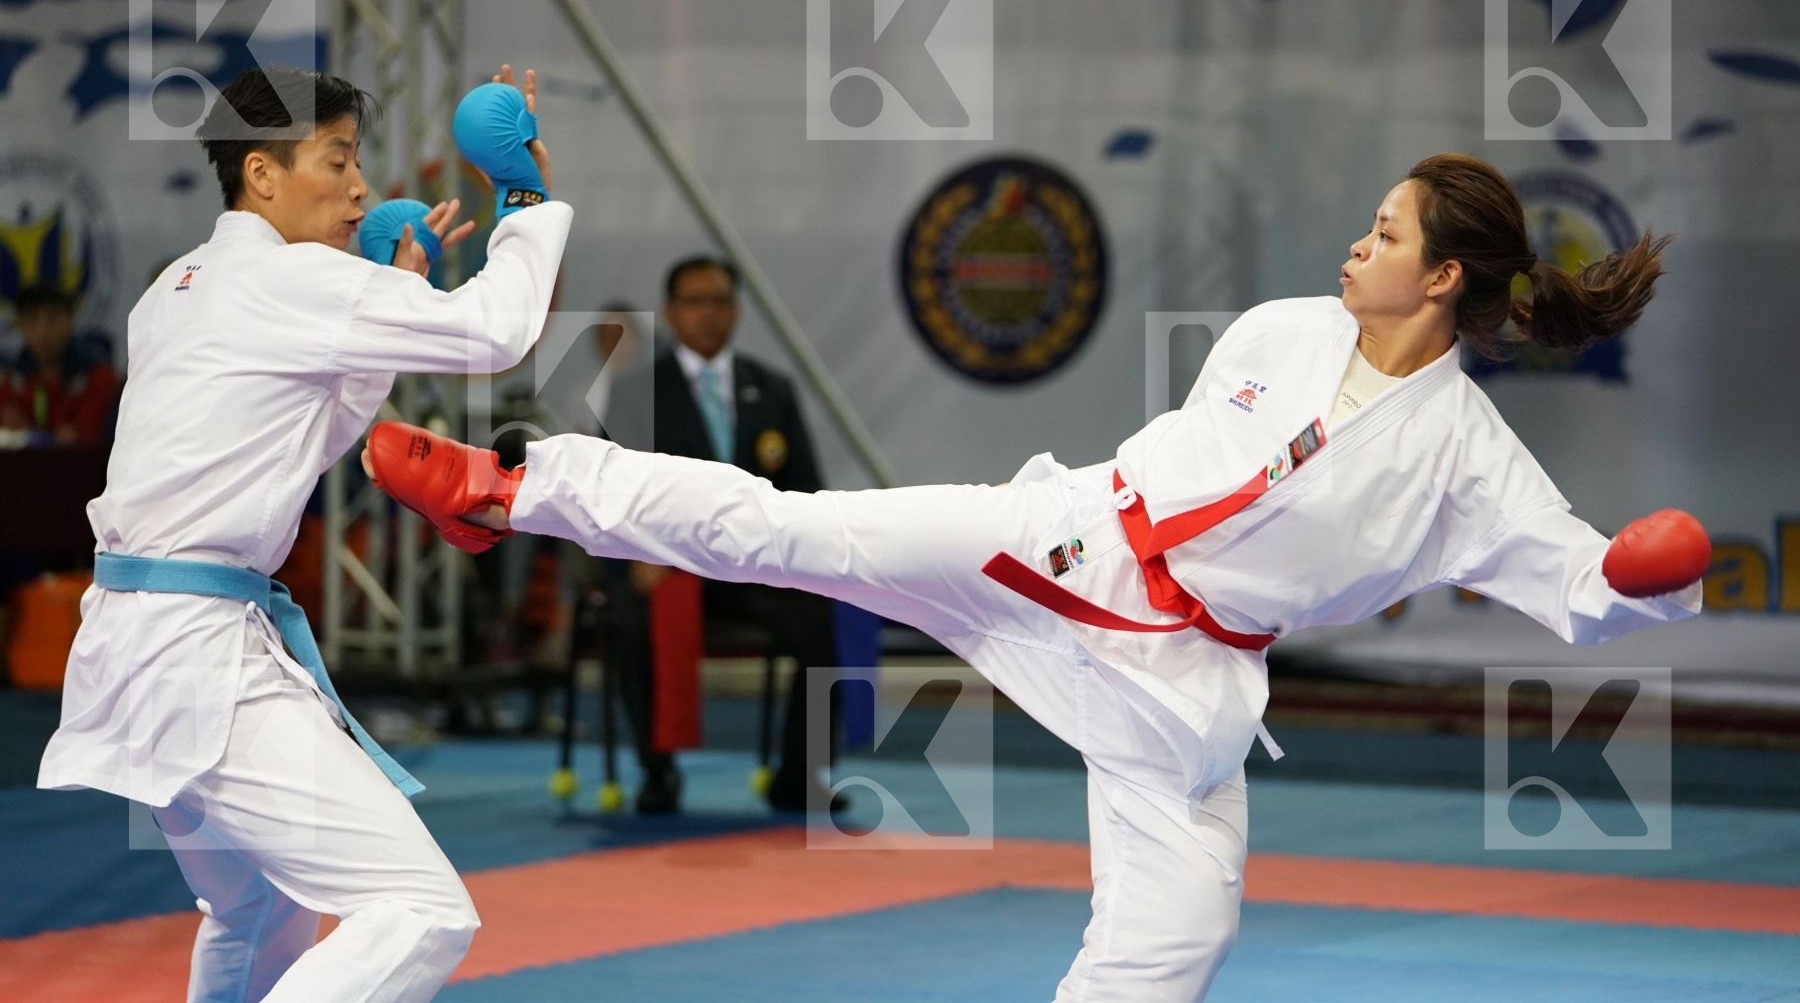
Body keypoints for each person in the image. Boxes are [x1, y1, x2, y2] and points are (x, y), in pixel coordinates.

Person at [367, 152, 1710, 1000]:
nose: (1358, 244)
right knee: (798, 532)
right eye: (1366, 221)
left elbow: (1585, 584)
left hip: (1183, 678)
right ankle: (516, 486)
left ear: (1444, 274)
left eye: (1385, 230)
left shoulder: (1469, 462)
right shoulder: (1279, 329)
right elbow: (1205, 471)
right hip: (1068, 546)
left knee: (1181, 933)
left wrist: (1645, 572)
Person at [38, 63, 571, 1001]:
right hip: (195, 651)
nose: (362, 186)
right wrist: (523, 193)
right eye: (339, 157)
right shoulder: (291, 280)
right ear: (262, 175)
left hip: (138, 636)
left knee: (257, 910)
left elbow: (291, 437)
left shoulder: (174, 289)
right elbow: (496, 334)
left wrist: (380, 313)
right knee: (422, 909)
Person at [604, 256, 840, 814]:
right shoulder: (637, 391)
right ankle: (656, 769)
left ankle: (800, 773)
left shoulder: (772, 388)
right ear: (671, 312)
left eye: (719, 302)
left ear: (735, 310)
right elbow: (610, 486)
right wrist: (639, 551)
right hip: (670, 561)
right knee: (631, 622)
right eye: (694, 302)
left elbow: (805, 486)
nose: (708, 314)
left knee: (821, 617)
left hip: (753, 563)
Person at [0, 283, 120, 446]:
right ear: (21, 325)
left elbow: (89, 437)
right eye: (32, 319)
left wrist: (29, 434)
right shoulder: (10, 378)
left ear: (70, 320)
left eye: (53, 319)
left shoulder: (99, 375)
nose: (43, 331)